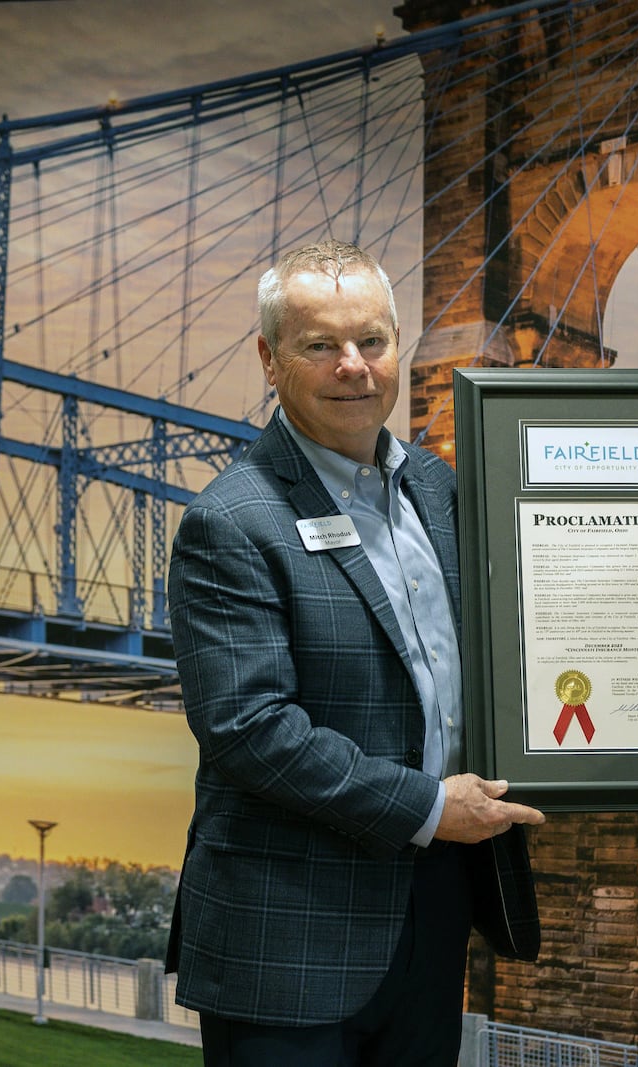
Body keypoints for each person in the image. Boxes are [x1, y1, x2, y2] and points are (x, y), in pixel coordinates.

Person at [165, 240, 544, 1067]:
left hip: (435, 910)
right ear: (270, 358)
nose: (354, 366)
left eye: (372, 341)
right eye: (320, 345)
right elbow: (249, 727)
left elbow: (531, 618)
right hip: (288, 937)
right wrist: (431, 808)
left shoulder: (445, 490)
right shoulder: (230, 521)